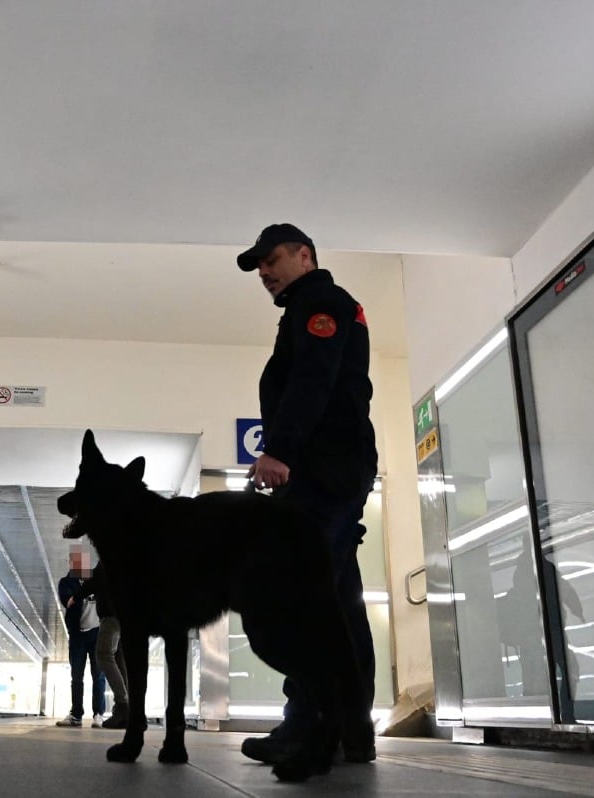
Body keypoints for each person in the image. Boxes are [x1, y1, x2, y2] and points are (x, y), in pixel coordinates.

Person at [235, 223, 378, 764]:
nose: (264, 272)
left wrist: (280, 451)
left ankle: (307, 726)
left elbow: (313, 380)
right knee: (340, 604)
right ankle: (351, 732)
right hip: (332, 470)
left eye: (271, 259)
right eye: (259, 266)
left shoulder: (321, 302)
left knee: (302, 598)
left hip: (323, 472)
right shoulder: (309, 306)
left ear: (305, 255)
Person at [56, 547, 106, 728]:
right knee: (76, 676)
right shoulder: (66, 582)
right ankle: (76, 714)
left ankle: (98, 714)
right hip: (78, 635)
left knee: (98, 675)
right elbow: (68, 602)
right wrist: (79, 595)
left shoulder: (97, 580)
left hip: (97, 634)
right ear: (71, 564)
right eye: (76, 562)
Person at [78, 561, 128, 729]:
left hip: (112, 614)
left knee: (104, 656)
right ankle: (125, 709)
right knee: (118, 660)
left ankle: (123, 705)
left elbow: (96, 580)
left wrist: (76, 595)